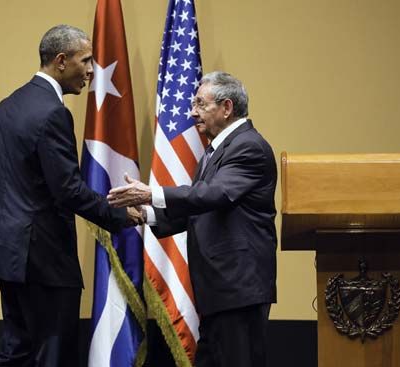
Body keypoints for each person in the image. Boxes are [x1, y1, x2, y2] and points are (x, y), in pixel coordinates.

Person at [0, 24, 142, 367]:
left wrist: (19, 217)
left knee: (16, 351)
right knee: (51, 355)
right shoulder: (54, 113)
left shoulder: (6, 106)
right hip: (46, 259)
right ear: (60, 60)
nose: (90, 71)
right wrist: (119, 215)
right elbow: (68, 190)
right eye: (85, 61)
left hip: (8, 252)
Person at [108, 71, 277, 367]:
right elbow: (200, 209)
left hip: (238, 290)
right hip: (219, 290)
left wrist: (151, 194)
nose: (192, 112)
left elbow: (214, 195)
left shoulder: (248, 146)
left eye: (200, 104)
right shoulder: (217, 150)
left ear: (226, 107)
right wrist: (145, 215)